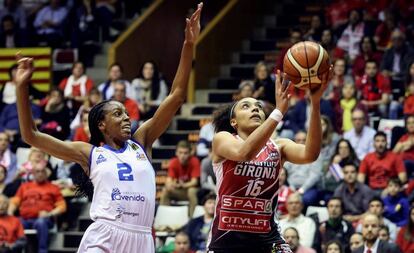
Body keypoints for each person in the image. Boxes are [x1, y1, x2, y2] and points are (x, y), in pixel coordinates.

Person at [13, 3, 202, 252]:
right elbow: (31, 135)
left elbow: (177, 95)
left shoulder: (141, 141)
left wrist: (189, 45)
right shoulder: (89, 153)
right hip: (105, 235)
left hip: (142, 238)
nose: (126, 118)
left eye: (126, 113)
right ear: (101, 124)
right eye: (117, 114)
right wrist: (21, 88)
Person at [207, 64, 330, 252]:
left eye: (259, 106)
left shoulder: (278, 146)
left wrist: (315, 103)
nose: (255, 109)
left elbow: (310, 154)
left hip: (267, 237)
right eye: (246, 106)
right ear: (234, 121)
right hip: (227, 238)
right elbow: (244, 153)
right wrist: (278, 112)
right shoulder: (223, 139)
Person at [8, 164, 66, 253]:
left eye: (42, 171)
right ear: (33, 173)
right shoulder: (24, 186)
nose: (40, 174)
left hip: (44, 219)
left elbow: (62, 207)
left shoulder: (53, 187)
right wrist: (10, 214)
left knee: (41, 222)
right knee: (14, 223)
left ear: (46, 173)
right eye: (37, 171)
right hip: (25, 219)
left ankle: (42, 251)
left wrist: (49, 214)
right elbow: (14, 202)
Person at [160, 140, 200, 217]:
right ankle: (164, 218)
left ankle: (191, 219)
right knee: (166, 190)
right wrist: (170, 185)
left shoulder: (194, 161)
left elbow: (194, 182)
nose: (182, 156)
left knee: (191, 191)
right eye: (180, 153)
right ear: (176, 153)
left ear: (190, 153)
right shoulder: (173, 162)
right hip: (180, 191)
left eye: (185, 153)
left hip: (190, 191)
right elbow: (169, 181)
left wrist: (182, 185)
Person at [284, 131, 323, 207]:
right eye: (298, 140)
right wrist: (291, 188)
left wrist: (302, 190)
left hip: (309, 188)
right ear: (294, 141)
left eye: (304, 140)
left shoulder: (316, 154)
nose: (301, 142)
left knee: (305, 200)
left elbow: (314, 176)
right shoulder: (289, 154)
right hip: (291, 187)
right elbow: (284, 173)